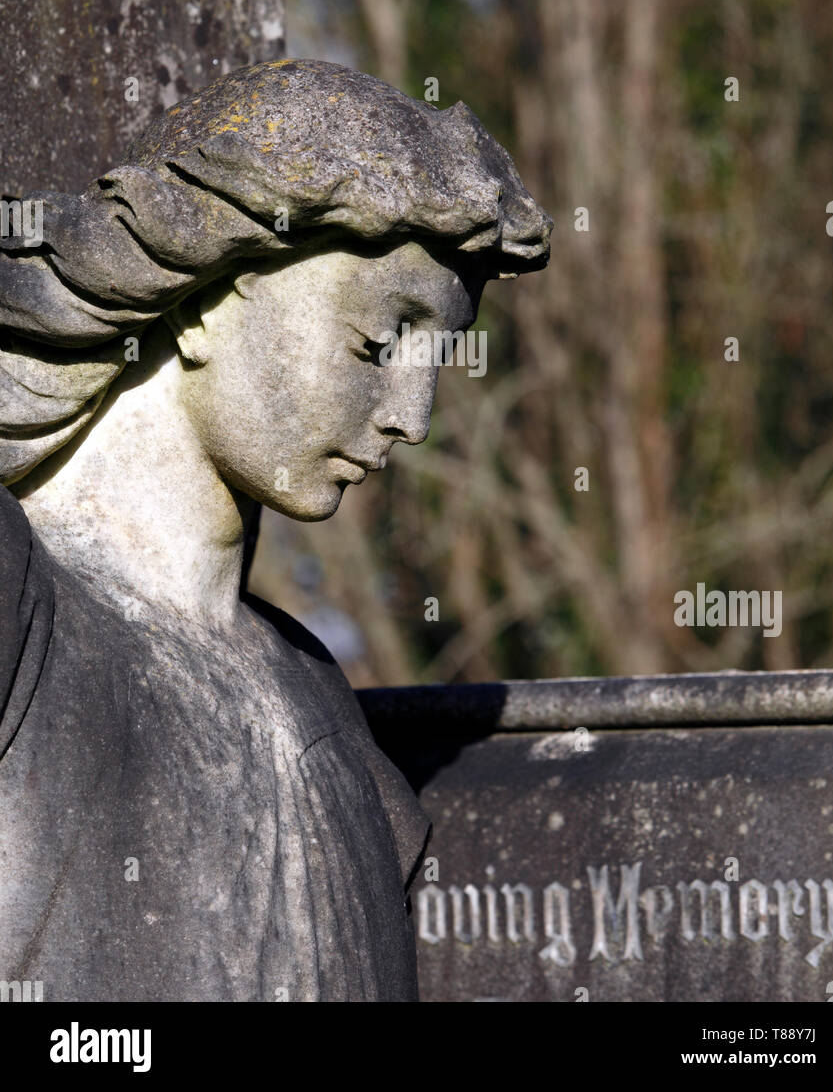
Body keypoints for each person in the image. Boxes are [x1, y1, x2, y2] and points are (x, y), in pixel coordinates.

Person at [0, 58, 551, 1001]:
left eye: (437, 362)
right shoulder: (23, 619)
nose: (413, 418)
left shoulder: (326, 718)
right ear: (214, 296)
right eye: (378, 342)